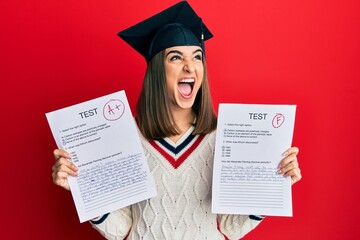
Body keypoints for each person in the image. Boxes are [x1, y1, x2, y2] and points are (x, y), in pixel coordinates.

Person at [52, 1, 302, 239]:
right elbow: (123, 230)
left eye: (197, 57)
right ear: (157, 70)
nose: (190, 67)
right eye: (175, 57)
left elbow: (229, 228)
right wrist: (83, 189)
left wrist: (273, 183)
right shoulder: (125, 137)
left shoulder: (227, 138)